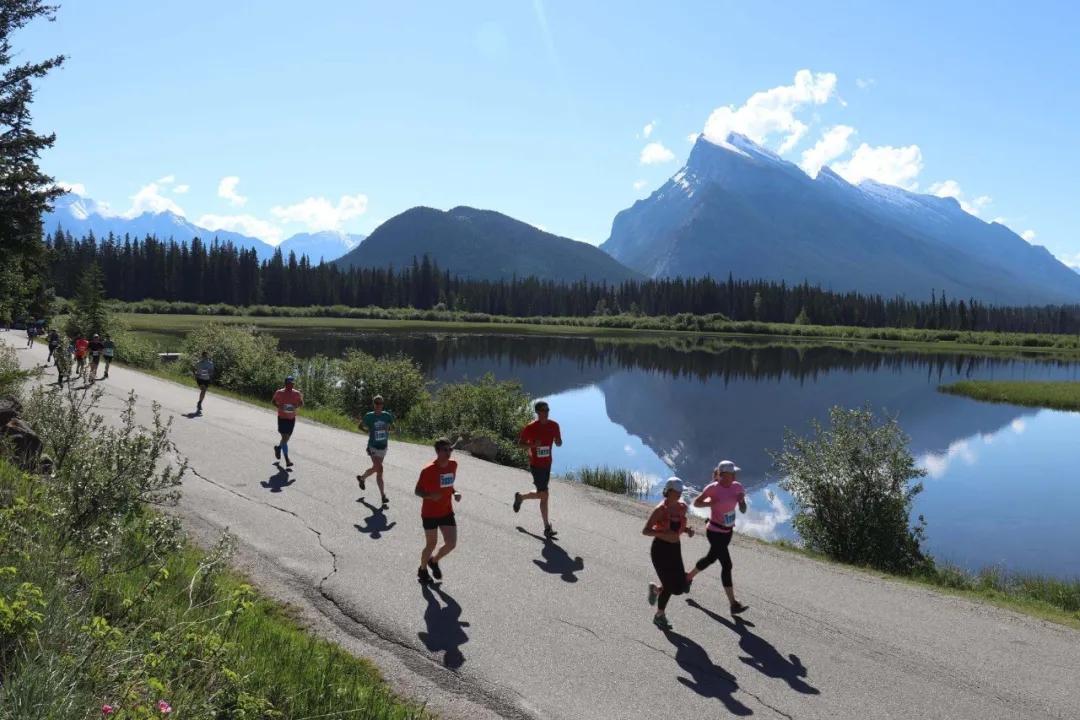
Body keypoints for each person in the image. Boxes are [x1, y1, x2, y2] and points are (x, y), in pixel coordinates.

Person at [686, 460, 749, 615]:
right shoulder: (713, 488)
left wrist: (741, 502)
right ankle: (734, 604)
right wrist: (710, 503)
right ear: (723, 475)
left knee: (710, 558)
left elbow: (743, 509)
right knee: (727, 565)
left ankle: (687, 578)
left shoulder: (737, 487)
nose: (735, 475)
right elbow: (696, 503)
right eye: (732, 473)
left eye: (735, 473)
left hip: (728, 532)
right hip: (714, 531)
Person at [644, 477, 695, 630]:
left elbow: (677, 526)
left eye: (681, 491)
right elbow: (646, 530)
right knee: (670, 585)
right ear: (668, 491)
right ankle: (659, 616)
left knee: (679, 588)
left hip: (674, 549)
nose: (679, 494)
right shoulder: (661, 510)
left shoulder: (682, 507)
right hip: (660, 550)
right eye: (676, 491)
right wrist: (664, 535)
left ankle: (656, 590)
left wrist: (687, 530)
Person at [513, 400, 562, 538]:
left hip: (547, 464)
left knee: (544, 496)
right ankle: (546, 526)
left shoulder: (554, 425)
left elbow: (559, 442)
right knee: (544, 494)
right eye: (543, 411)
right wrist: (533, 445)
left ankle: (521, 498)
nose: (546, 413)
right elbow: (520, 445)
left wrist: (558, 442)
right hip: (536, 464)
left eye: (547, 411)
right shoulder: (530, 427)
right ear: (538, 412)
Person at [415, 437, 460, 585]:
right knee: (431, 544)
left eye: (450, 449)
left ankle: (433, 561)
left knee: (451, 543)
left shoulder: (453, 465)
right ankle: (422, 570)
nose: (448, 453)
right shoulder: (428, 470)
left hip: (446, 510)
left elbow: (448, 483)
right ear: (437, 451)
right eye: (445, 450)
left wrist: (455, 492)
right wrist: (430, 495)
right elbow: (417, 491)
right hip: (429, 513)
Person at [357, 395, 394, 505]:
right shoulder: (369, 416)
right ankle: (383, 496)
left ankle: (362, 478)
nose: (378, 405)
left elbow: (392, 427)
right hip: (372, 446)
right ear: (374, 404)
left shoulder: (387, 416)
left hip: (383, 446)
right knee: (380, 468)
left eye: (380, 403)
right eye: (376, 403)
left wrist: (389, 431)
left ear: (383, 404)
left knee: (377, 469)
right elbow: (360, 426)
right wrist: (367, 432)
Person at [271, 375, 304, 467]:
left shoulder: (296, 393)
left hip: (291, 419)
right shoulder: (279, 392)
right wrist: (279, 406)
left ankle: (278, 448)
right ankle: (287, 460)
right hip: (282, 418)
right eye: (289, 383)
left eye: (292, 383)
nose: (291, 385)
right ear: (285, 383)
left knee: (286, 438)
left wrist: (295, 407)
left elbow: (301, 403)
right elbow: (273, 401)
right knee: (285, 438)